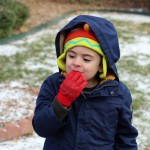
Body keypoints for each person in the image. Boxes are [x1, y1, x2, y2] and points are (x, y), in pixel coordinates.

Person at [32, 15, 138, 150]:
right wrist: (62, 100)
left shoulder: (118, 94)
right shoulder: (53, 85)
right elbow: (42, 128)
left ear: (101, 65)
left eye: (86, 59)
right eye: (71, 56)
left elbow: (125, 139)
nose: (76, 63)